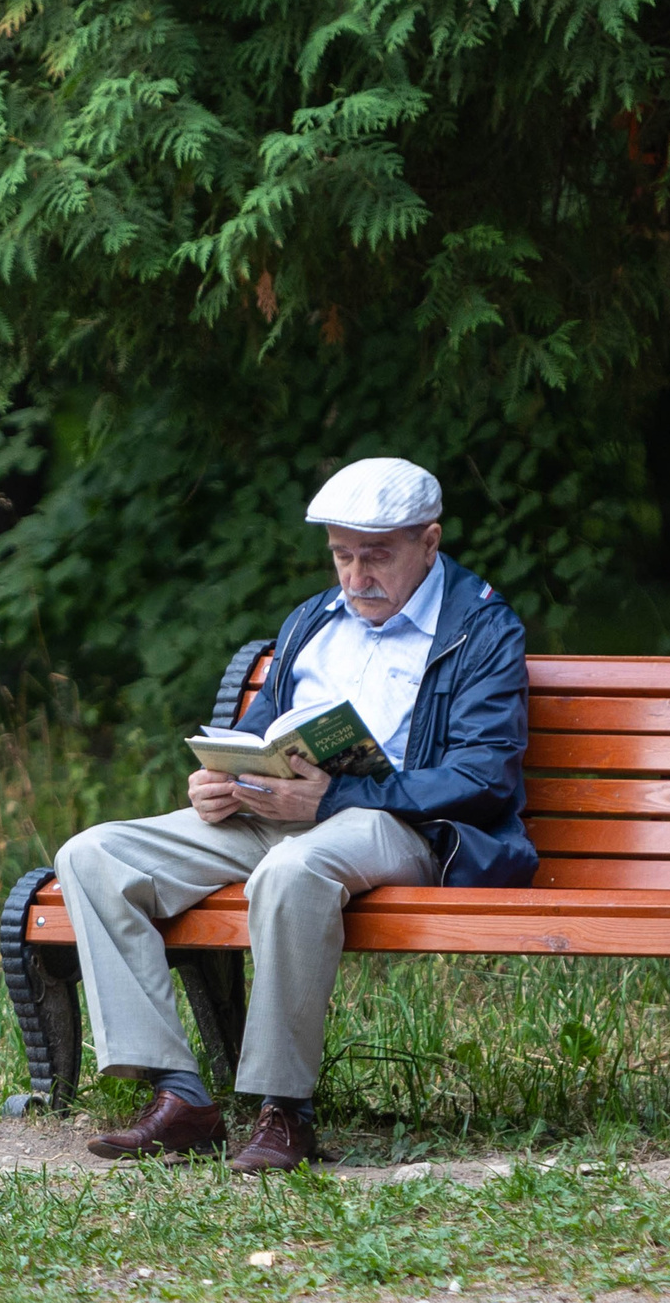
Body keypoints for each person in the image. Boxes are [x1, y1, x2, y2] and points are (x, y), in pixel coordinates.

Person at [53, 457, 538, 1173]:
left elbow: (481, 777)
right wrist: (220, 780)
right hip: (279, 811)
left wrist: (336, 798)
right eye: (342, 555)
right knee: (92, 855)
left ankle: (285, 1111)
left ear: (429, 544)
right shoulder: (315, 619)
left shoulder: (481, 629)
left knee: (292, 867)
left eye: (377, 556)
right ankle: (180, 1095)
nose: (355, 576)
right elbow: (256, 731)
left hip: (396, 827)